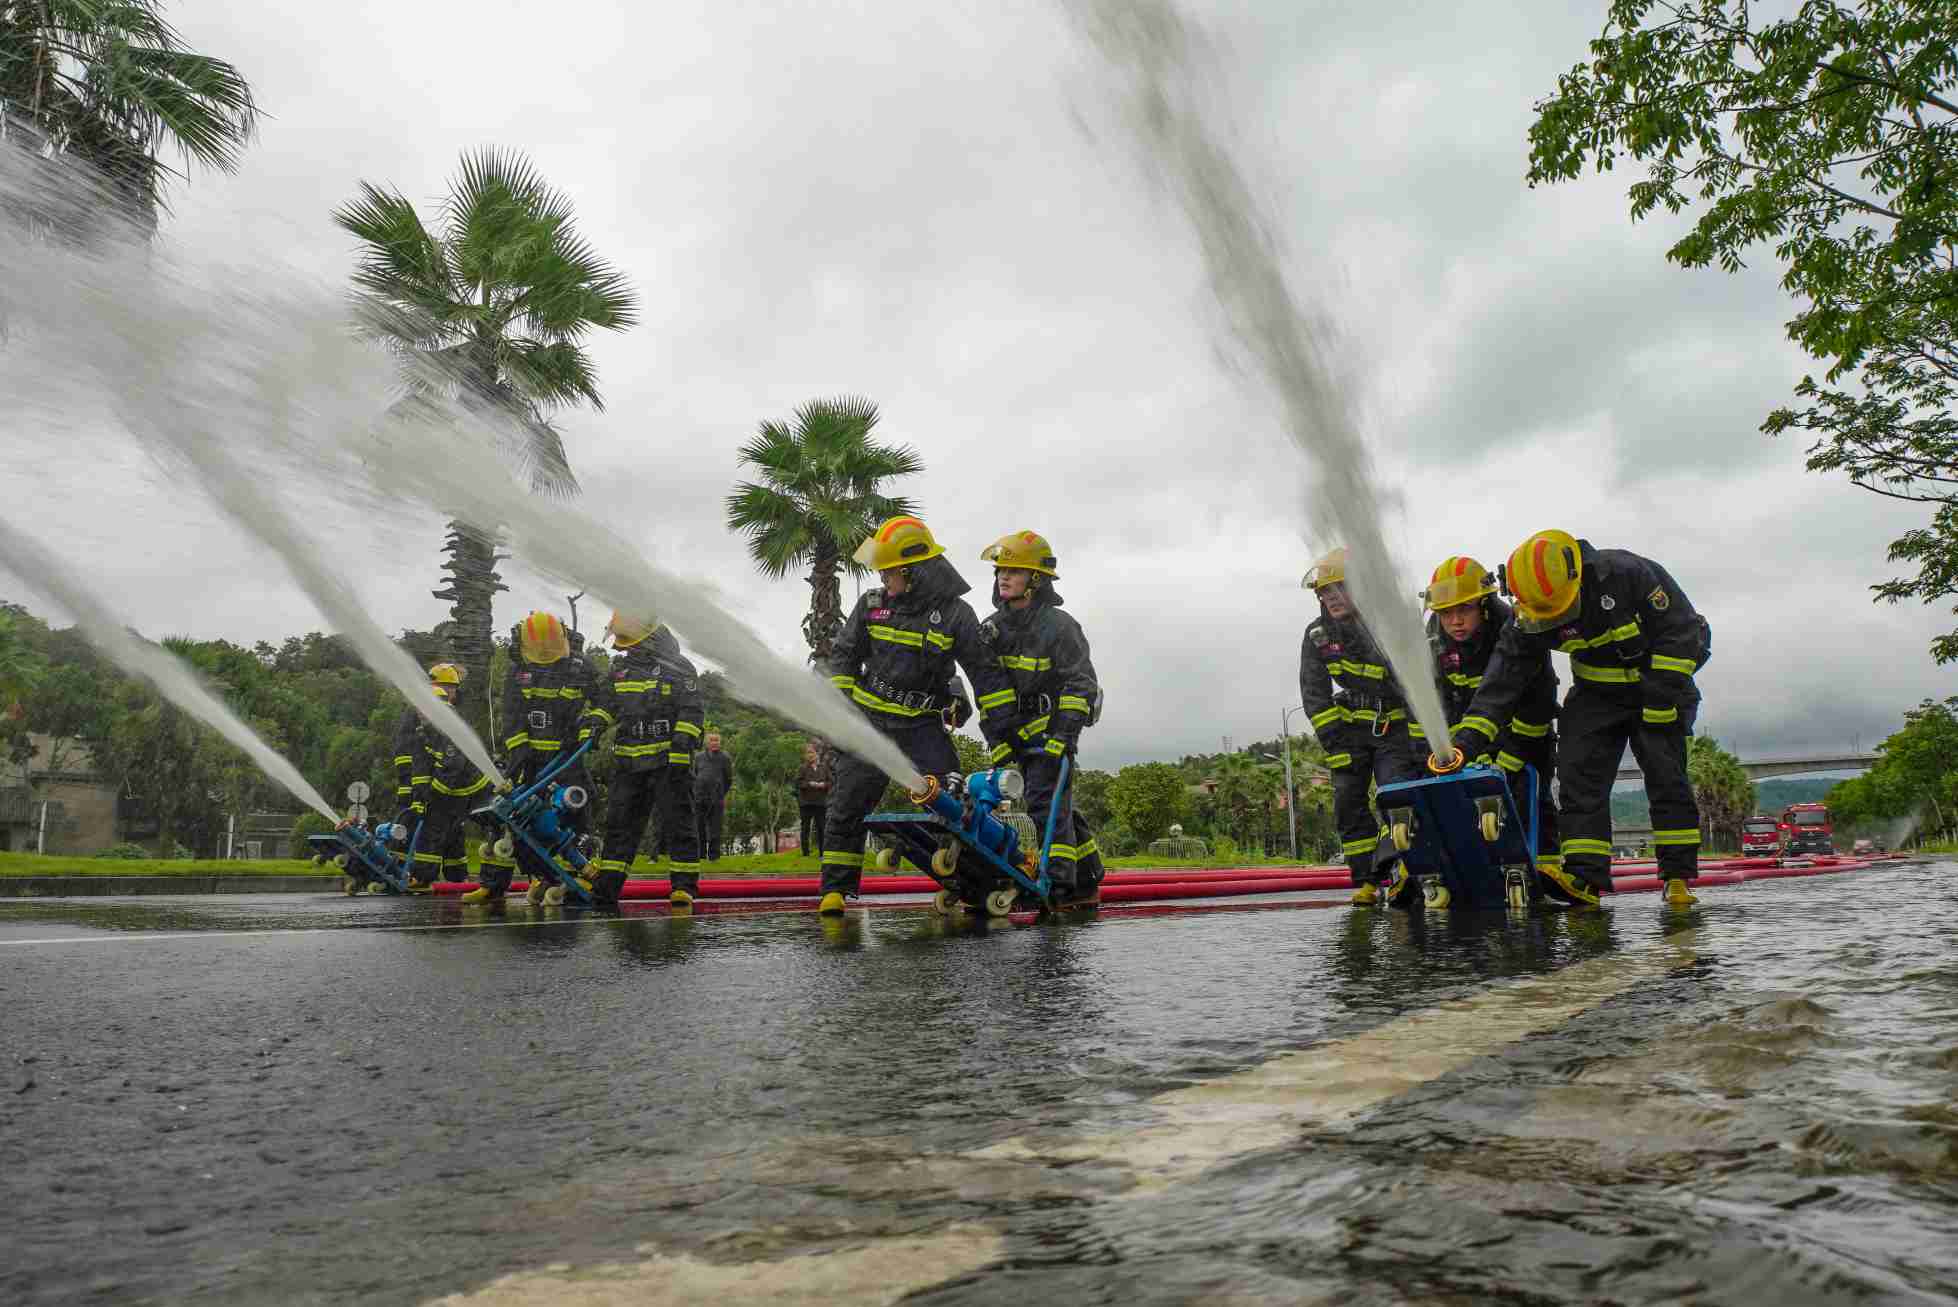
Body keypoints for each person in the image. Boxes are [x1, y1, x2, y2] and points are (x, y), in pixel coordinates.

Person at [1451, 530, 1712, 908]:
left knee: (1666, 777)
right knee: (1577, 778)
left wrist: (1660, 700)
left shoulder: (1626, 573)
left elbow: (1683, 630)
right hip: (1595, 693)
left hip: (1658, 686)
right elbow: (1501, 683)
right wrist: (1465, 744)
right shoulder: (1529, 613)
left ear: (1575, 577)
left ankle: (1677, 879)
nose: (1552, 620)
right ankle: (1584, 878)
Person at [819, 514, 1006, 915]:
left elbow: (985, 674)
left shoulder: (957, 615)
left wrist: (996, 725)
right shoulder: (871, 604)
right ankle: (835, 892)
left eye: (890, 572)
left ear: (914, 572)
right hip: (869, 725)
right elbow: (843, 659)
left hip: (922, 728)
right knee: (846, 807)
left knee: (951, 804)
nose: (885, 579)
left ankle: (976, 881)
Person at [974, 530, 1105, 908]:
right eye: (1000, 570)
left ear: (1036, 579)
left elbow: (1081, 685)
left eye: (1013, 571)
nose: (1002, 577)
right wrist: (996, 738)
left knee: (1045, 804)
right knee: (1052, 805)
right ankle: (1086, 882)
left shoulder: (1060, 627)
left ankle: (1059, 885)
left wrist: (1062, 738)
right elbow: (986, 689)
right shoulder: (991, 628)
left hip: (1051, 732)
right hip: (1011, 732)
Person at [1299, 546, 1425, 906]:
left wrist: (1417, 745)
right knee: (1347, 802)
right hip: (1350, 730)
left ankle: (1403, 872)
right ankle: (1368, 880)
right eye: (1324, 591)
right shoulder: (1318, 635)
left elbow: (1415, 688)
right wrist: (1335, 745)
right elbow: (1315, 694)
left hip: (1393, 727)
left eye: (1340, 587)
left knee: (1395, 796)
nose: (1331, 596)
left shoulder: (1388, 630)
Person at [1422, 556, 1560, 883]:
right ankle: (1478, 871)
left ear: (1484, 605)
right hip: (1471, 737)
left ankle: (1548, 868)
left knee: (1532, 793)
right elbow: (1442, 704)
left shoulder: (1516, 627)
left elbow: (1537, 704)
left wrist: (1510, 761)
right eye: (1445, 613)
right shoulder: (1432, 640)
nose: (1454, 621)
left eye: (1464, 610)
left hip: (1526, 731)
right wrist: (1455, 753)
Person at [463, 611, 593, 905]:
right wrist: (520, 752)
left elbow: (603, 702)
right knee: (510, 814)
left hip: (568, 757)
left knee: (575, 812)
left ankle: (582, 873)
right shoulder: (518, 671)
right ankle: (497, 883)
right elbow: (512, 715)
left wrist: (590, 727)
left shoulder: (580, 668)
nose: (546, 654)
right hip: (531, 759)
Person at [581, 614, 704, 906]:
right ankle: (607, 890)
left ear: (646, 638)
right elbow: (607, 705)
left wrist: (679, 752)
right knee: (619, 826)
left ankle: (683, 888)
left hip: (667, 762)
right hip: (629, 762)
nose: (623, 649)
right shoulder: (621, 669)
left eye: (628, 642)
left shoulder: (678, 667)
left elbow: (692, 711)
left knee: (678, 824)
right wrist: (594, 725)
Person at [692, 732, 734, 861]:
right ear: (707, 743)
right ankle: (701, 855)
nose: (715, 742)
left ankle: (714, 856)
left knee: (715, 828)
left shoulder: (725, 757)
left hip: (717, 798)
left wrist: (721, 792)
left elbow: (728, 779)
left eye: (717, 740)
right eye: (712, 740)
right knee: (699, 827)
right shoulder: (698, 757)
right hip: (699, 797)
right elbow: (694, 774)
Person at [796, 742, 830, 860]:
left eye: (812, 752)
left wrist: (823, 784)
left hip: (821, 803)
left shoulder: (824, 767)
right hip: (806, 803)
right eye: (807, 753)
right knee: (805, 828)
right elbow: (798, 783)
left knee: (822, 828)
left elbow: (831, 782)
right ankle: (805, 854)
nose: (809, 755)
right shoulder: (802, 768)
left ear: (817, 753)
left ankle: (822, 854)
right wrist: (809, 784)